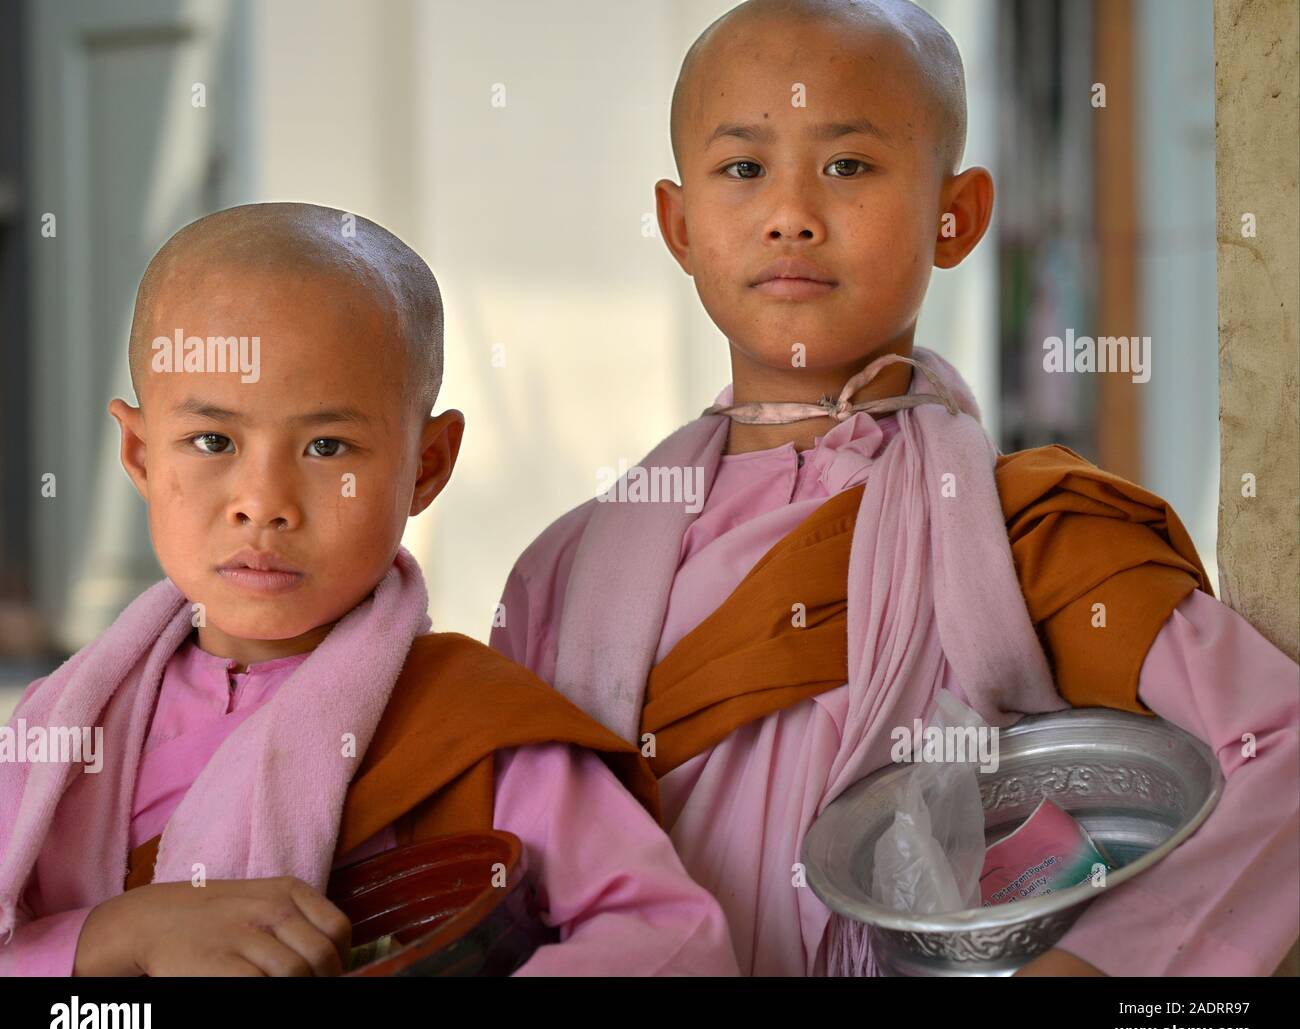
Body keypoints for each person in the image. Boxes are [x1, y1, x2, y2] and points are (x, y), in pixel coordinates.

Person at [491, 0, 1300, 976]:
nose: (790, 210)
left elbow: (1277, 747)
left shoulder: (1029, 534)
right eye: (743, 168)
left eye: (848, 165)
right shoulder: (564, 572)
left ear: (953, 217)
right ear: (680, 225)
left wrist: (1105, 966)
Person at [0, 202, 739, 978]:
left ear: (426, 466)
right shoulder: (63, 729)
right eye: (213, 440)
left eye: (327, 446)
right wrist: (116, 938)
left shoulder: (470, 729)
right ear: (141, 454)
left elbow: (673, 940)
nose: (264, 501)